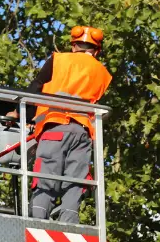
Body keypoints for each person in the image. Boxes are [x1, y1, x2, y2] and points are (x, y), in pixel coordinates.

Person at [9, 26, 112, 223]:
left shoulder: (58, 60)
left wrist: (21, 115)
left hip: (55, 126)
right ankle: (69, 222)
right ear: (96, 51)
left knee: (46, 175)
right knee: (76, 180)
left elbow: (35, 89)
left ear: (74, 47)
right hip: (82, 132)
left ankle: (37, 221)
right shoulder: (102, 73)